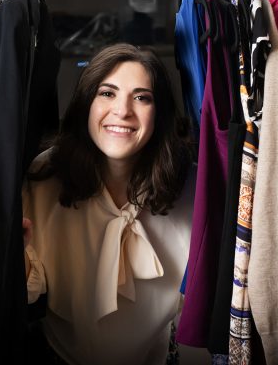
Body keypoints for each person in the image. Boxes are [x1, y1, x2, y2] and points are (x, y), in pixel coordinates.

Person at [21, 43, 195, 365]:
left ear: (160, 113)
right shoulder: (43, 177)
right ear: (87, 102)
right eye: (107, 93)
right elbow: (25, 295)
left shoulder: (191, 188)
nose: (122, 110)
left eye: (142, 97)